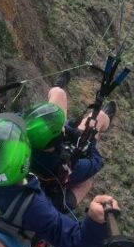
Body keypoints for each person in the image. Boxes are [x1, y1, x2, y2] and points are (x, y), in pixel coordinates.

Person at [0, 83, 120, 247]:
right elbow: (81, 243)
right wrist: (95, 220)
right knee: (86, 183)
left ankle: (89, 111)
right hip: (30, 212)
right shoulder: (35, 209)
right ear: (25, 162)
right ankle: (101, 118)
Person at [24, 71, 116, 212]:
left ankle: (58, 88)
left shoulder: (21, 140)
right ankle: (106, 118)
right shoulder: (70, 167)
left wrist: (66, 129)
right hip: (54, 190)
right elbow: (97, 162)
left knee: (58, 94)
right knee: (99, 118)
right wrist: (88, 141)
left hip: (36, 165)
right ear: (60, 137)